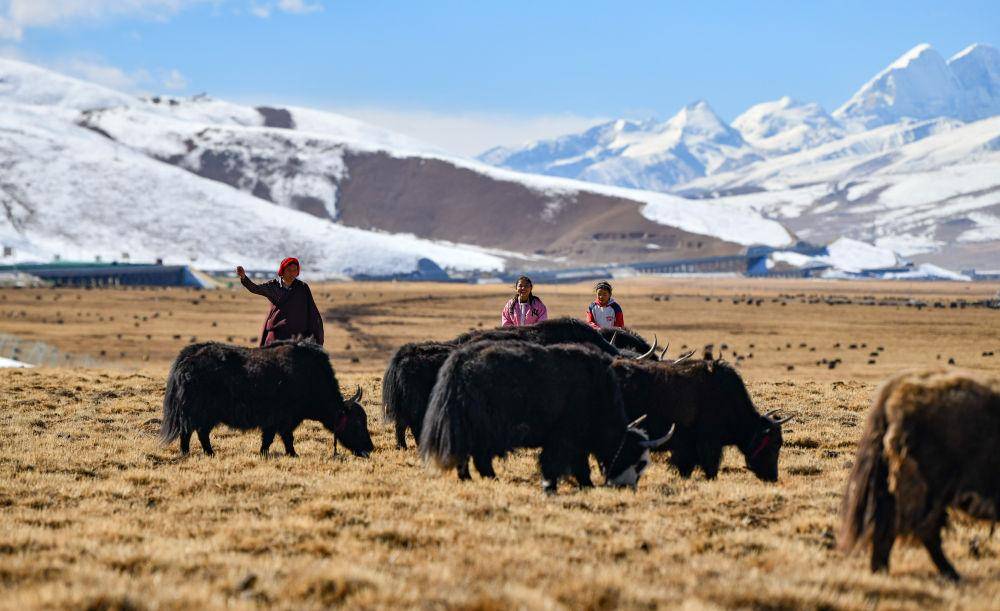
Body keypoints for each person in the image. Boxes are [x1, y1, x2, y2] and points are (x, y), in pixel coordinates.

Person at [236, 257, 324, 347]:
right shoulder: (273, 286)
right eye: (289, 270)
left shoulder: (302, 288)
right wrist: (244, 277)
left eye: (295, 270)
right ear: (282, 271)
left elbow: (312, 311)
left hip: (298, 337)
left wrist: (315, 334)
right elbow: (255, 288)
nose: (292, 273)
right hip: (277, 334)